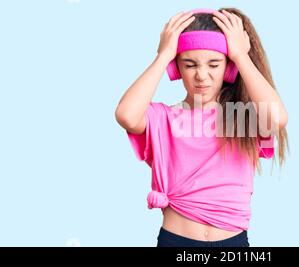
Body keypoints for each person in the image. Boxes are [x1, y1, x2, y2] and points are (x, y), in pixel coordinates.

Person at [115, 7, 289, 247]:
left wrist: (241, 56)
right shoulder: (163, 117)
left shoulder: (242, 118)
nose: (201, 75)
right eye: (190, 64)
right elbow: (126, 114)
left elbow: (277, 118)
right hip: (176, 242)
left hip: (233, 243)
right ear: (176, 69)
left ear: (229, 69)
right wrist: (163, 55)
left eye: (214, 65)